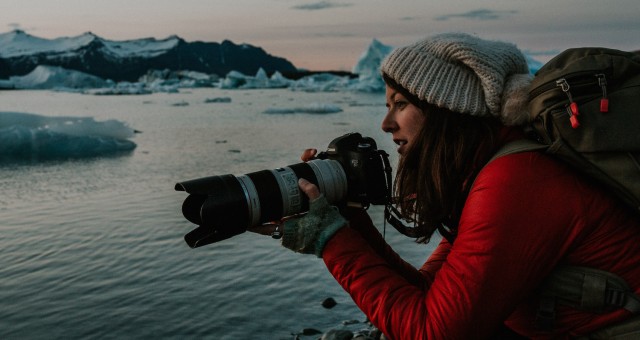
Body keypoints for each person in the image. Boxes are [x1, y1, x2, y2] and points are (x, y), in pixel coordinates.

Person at [253, 33, 640, 339]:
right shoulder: (485, 172)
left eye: (400, 104)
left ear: (445, 111)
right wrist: (348, 222)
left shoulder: (514, 182)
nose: (386, 124)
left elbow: (431, 331)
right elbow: (428, 294)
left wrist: (331, 241)